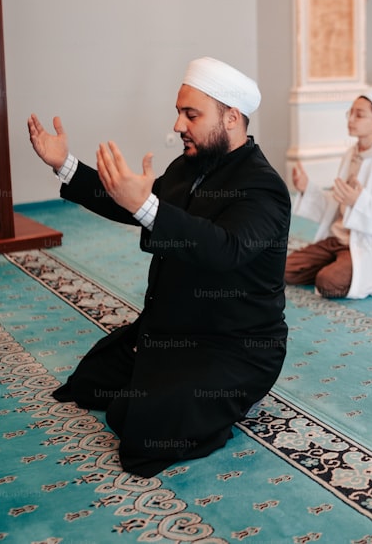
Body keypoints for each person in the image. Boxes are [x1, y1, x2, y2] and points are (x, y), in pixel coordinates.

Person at [27, 57, 291, 477]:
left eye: (192, 114)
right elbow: (133, 203)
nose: (178, 125)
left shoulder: (264, 188)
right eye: (178, 112)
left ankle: (227, 405)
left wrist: (147, 205)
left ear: (232, 118)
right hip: (174, 329)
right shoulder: (189, 166)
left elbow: (224, 249)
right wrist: (65, 165)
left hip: (236, 347)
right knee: (88, 384)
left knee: (142, 437)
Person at [286, 88, 372, 299]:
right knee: (285, 270)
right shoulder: (351, 153)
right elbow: (337, 202)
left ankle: (341, 268)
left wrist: (359, 202)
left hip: (369, 246)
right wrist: (308, 188)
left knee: (328, 283)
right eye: (350, 113)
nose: (351, 119)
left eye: (359, 115)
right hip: (339, 239)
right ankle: (339, 264)